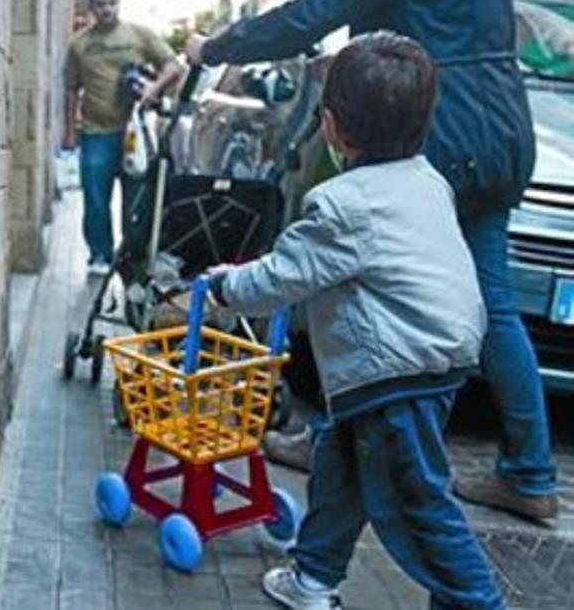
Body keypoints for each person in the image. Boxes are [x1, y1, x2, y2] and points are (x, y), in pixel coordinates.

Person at [186, 0, 558, 521]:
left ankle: (333, 442)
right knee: (495, 304)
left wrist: (216, 48)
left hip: (441, 128)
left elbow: (320, 7)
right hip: (502, 129)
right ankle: (531, 471)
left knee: (355, 281)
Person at [206, 33, 503, 610]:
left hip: (395, 374)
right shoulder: (427, 180)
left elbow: (281, 277)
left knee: (416, 502)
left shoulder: (343, 205)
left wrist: (224, 286)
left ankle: (476, 600)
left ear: (334, 127)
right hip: (431, 354)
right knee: (339, 464)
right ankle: (314, 575)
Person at [63, 0, 184, 276]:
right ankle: (100, 256)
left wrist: (153, 89)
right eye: (101, 4)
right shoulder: (79, 44)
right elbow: (70, 90)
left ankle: (131, 257)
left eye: (112, 2)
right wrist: (70, 131)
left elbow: (173, 66)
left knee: (136, 200)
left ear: (119, 3)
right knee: (95, 199)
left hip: (134, 134)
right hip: (95, 133)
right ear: (91, 7)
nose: (107, 9)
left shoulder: (138, 35)